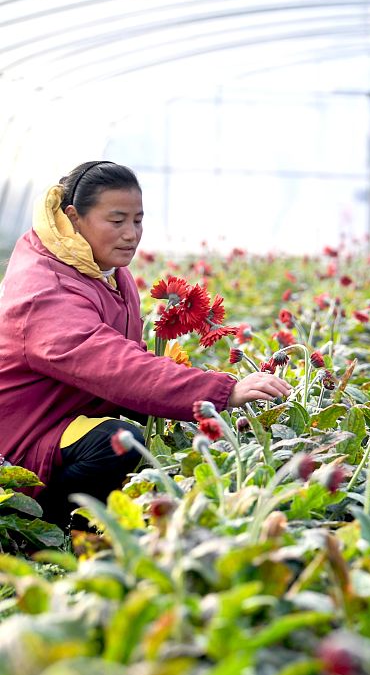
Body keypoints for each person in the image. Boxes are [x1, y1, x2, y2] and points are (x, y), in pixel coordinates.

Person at [0, 161, 291, 527]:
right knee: (120, 440)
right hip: (19, 441)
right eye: (117, 220)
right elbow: (111, 364)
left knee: (150, 424)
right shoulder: (44, 287)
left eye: (137, 220)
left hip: (62, 415)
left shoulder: (101, 268)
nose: (131, 234)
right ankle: (41, 528)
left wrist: (207, 403)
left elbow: (126, 359)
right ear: (74, 218)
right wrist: (220, 391)